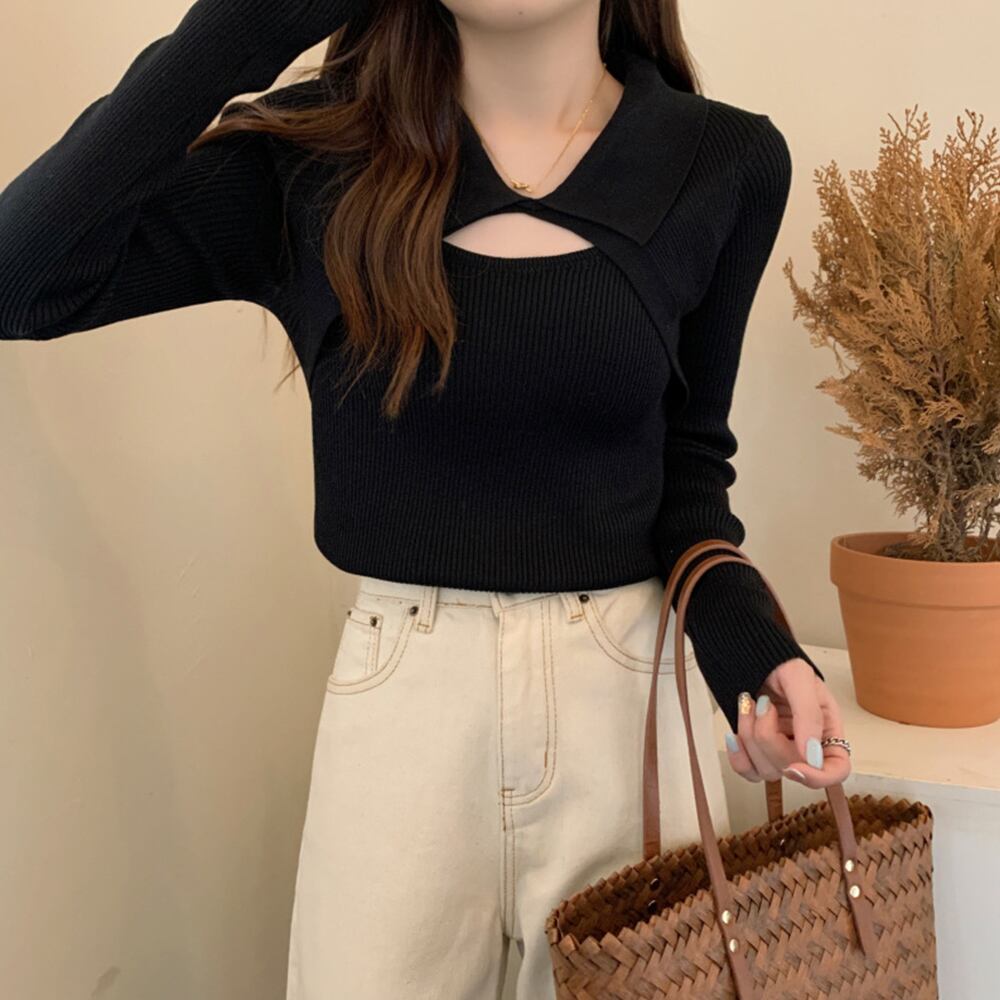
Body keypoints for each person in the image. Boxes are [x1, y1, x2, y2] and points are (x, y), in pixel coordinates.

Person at [0, 1, 853, 997]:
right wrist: (248, 25)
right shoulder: (315, 160)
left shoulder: (723, 162)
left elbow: (691, 476)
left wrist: (753, 654)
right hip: (405, 708)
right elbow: (23, 279)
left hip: (633, 713)